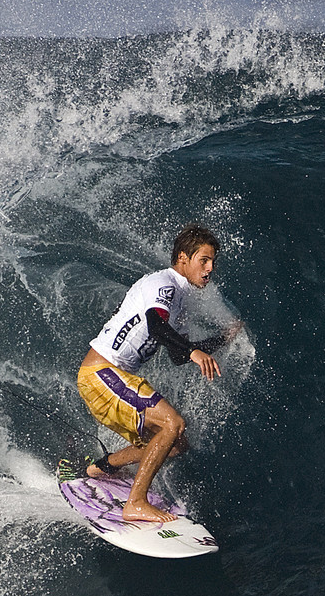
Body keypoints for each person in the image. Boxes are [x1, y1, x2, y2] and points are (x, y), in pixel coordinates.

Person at [72, 224, 241, 524]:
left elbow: (177, 354)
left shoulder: (182, 303)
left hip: (112, 380)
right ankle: (135, 503)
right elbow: (155, 325)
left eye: (213, 262)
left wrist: (220, 340)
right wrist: (194, 352)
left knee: (176, 443)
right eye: (204, 260)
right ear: (182, 259)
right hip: (102, 373)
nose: (210, 268)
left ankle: (101, 468)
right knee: (173, 423)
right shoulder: (165, 284)